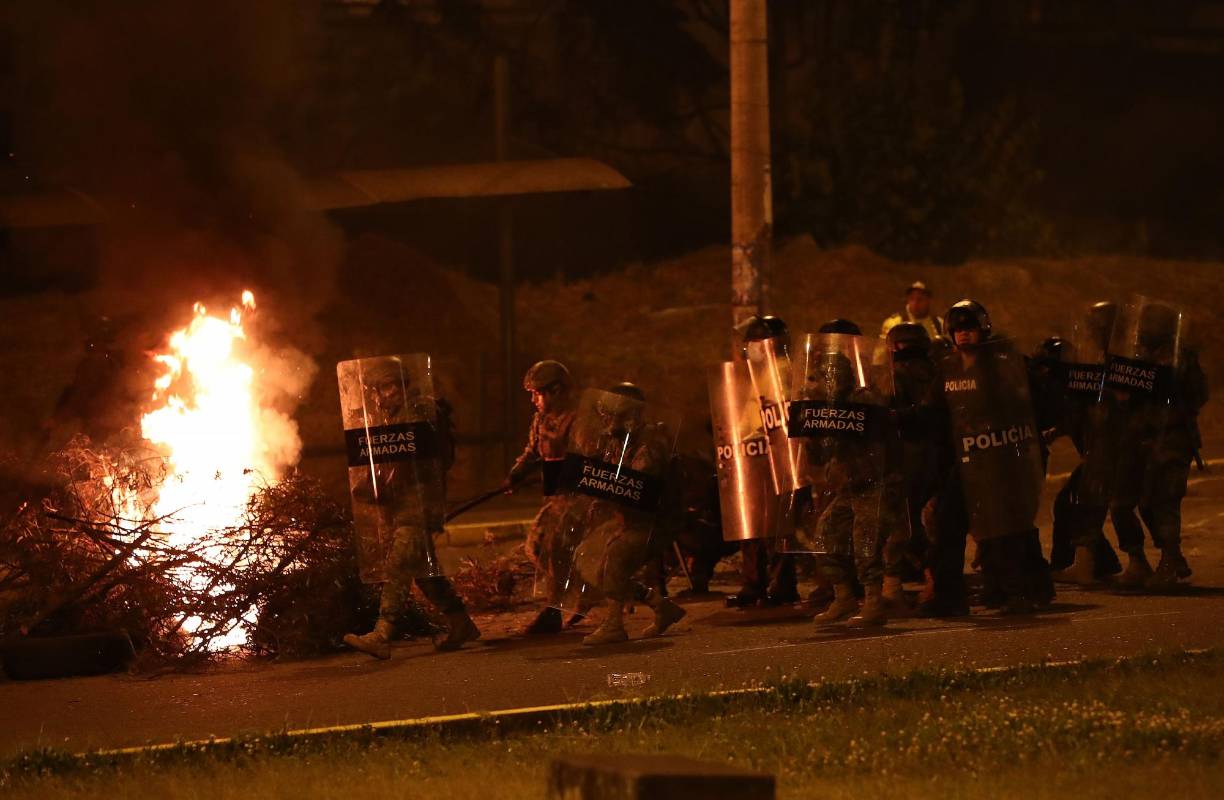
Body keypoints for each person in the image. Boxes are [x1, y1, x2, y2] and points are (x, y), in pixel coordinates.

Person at [343, 359, 481, 659]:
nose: (378, 398)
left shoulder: (418, 412)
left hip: (417, 506)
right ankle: (461, 623)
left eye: (381, 390)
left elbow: (411, 465)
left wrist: (379, 484)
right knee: (423, 572)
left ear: (395, 387)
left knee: (398, 566)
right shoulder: (398, 416)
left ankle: (382, 634)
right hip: (404, 506)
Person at [927, 300, 1053, 616]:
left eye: (969, 328)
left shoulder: (1006, 364)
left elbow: (1036, 404)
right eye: (957, 330)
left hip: (1001, 459)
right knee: (947, 523)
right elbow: (933, 411)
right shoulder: (949, 368)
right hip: (967, 459)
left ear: (982, 329)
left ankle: (1020, 590)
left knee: (1004, 525)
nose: (963, 335)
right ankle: (949, 597)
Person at [565, 383, 687, 645]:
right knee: (586, 557)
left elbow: (638, 484)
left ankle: (614, 624)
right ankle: (660, 605)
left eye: (613, 414)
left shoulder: (651, 442)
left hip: (655, 522)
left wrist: (609, 492)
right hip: (629, 520)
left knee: (616, 556)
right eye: (605, 414)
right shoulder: (617, 442)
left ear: (631, 416)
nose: (607, 419)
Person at [501, 360, 581, 634]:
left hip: (580, 499)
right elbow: (533, 453)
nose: (533, 399)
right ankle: (578, 593)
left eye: (537, 393)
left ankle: (554, 609)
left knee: (556, 547)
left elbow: (585, 462)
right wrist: (517, 473)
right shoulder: (541, 420)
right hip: (556, 498)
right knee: (536, 547)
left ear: (556, 391)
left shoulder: (578, 420)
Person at [727, 315, 800, 608]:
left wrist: (748, 436)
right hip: (752, 457)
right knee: (753, 524)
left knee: (777, 526)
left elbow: (773, 417)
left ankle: (780, 584)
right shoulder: (756, 374)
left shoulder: (780, 372)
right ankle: (754, 583)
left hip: (774, 458)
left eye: (756, 340)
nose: (750, 346)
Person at [884, 323, 942, 610]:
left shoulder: (895, 376)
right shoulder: (938, 370)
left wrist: (891, 417)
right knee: (933, 520)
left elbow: (895, 414)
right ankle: (933, 579)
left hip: (908, 456)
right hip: (939, 454)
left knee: (902, 520)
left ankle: (894, 586)